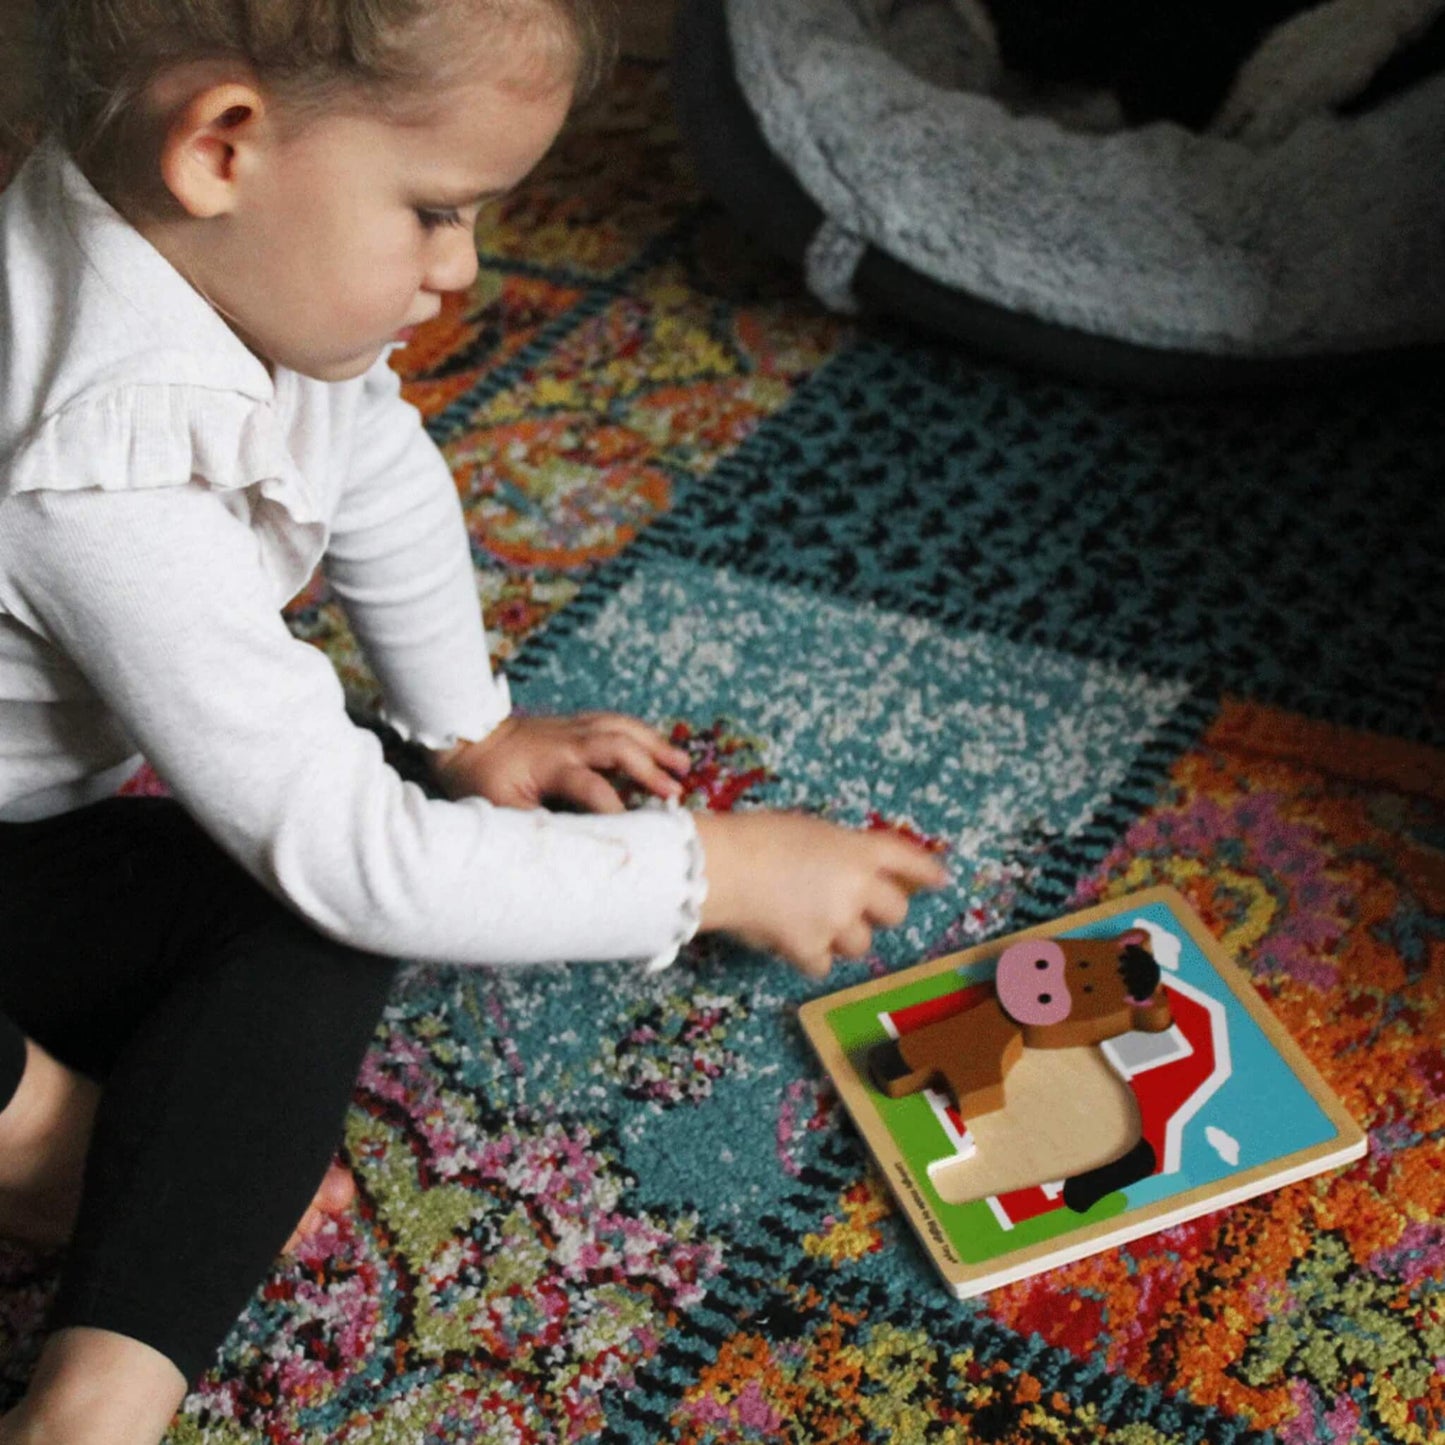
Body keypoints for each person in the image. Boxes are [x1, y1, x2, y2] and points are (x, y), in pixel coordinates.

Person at [0, 1, 949, 1440]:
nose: (464, 269)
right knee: (348, 868)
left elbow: (373, 462)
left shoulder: (200, 268)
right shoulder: (96, 463)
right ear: (223, 147)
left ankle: (90, 1277)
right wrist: (714, 868)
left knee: (314, 874)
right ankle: (84, 1368)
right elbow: (362, 861)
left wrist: (465, 733)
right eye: (437, 213)